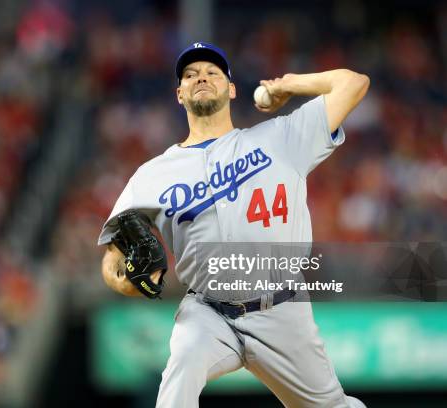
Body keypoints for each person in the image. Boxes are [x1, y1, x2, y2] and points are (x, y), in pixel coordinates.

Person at [98, 42, 369, 407]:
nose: (202, 77)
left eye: (212, 72)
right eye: (191, 75)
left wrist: (288, 85)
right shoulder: (150, 176)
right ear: (180, 95)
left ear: (232, 88)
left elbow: (353, 84)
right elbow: (113, 260)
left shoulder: (281, 137)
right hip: (207, 313)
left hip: (282, 310)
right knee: (180, 372)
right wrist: (129, 283)